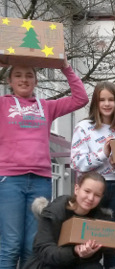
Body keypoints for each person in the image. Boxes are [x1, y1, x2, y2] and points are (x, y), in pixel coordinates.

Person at [0, 56, 89, 268]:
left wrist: (65, 67)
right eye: (18, 75)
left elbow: (80, 99)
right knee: (11, 244)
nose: (24, 79)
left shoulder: (46, 107)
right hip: (10, 180)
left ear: (36, 81)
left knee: (32, 245)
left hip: (40, 181)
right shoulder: (3, 104)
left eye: (29, 75)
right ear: (9, 81)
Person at [24, 172, 112, 269]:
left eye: (97, 195)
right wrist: (74, 251)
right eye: (87, 191)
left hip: (79, 263)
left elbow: (99, 254)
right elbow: (44, 250)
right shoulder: (55, 211)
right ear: (77, 189)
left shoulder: (100, 218)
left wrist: (88, 254)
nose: (90, 198)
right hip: (47, 263)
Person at [71, 81, 115, 223]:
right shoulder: (83, 127)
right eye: (102, 100)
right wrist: (103, 154)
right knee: (89, 231)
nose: (106, 104)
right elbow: (77, 163)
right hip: (91, 188)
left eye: (111, 100)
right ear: (96, 103)